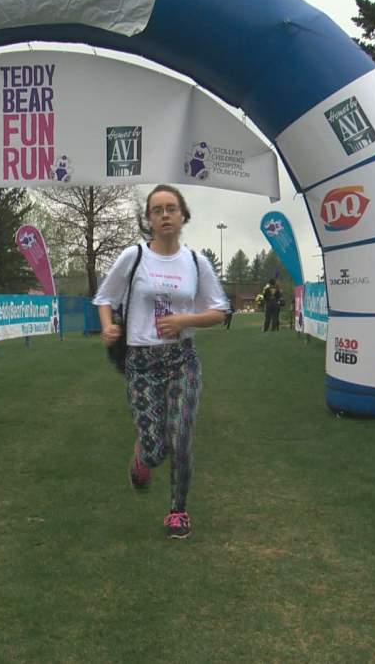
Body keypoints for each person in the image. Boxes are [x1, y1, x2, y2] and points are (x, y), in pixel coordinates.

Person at [93, 185, 229, 540]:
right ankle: (143, 455)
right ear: (149, 219)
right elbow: (105, 297)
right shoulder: (134, 256)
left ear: (183, 215)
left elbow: (219, 311)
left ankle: (177, 511)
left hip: (182, 359)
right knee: (156, 450)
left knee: (181, 436)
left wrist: (185, 320)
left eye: (171, 208)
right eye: (157, 210)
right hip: (141, 361)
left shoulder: (196, 262)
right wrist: (107, 327)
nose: (165, 215)